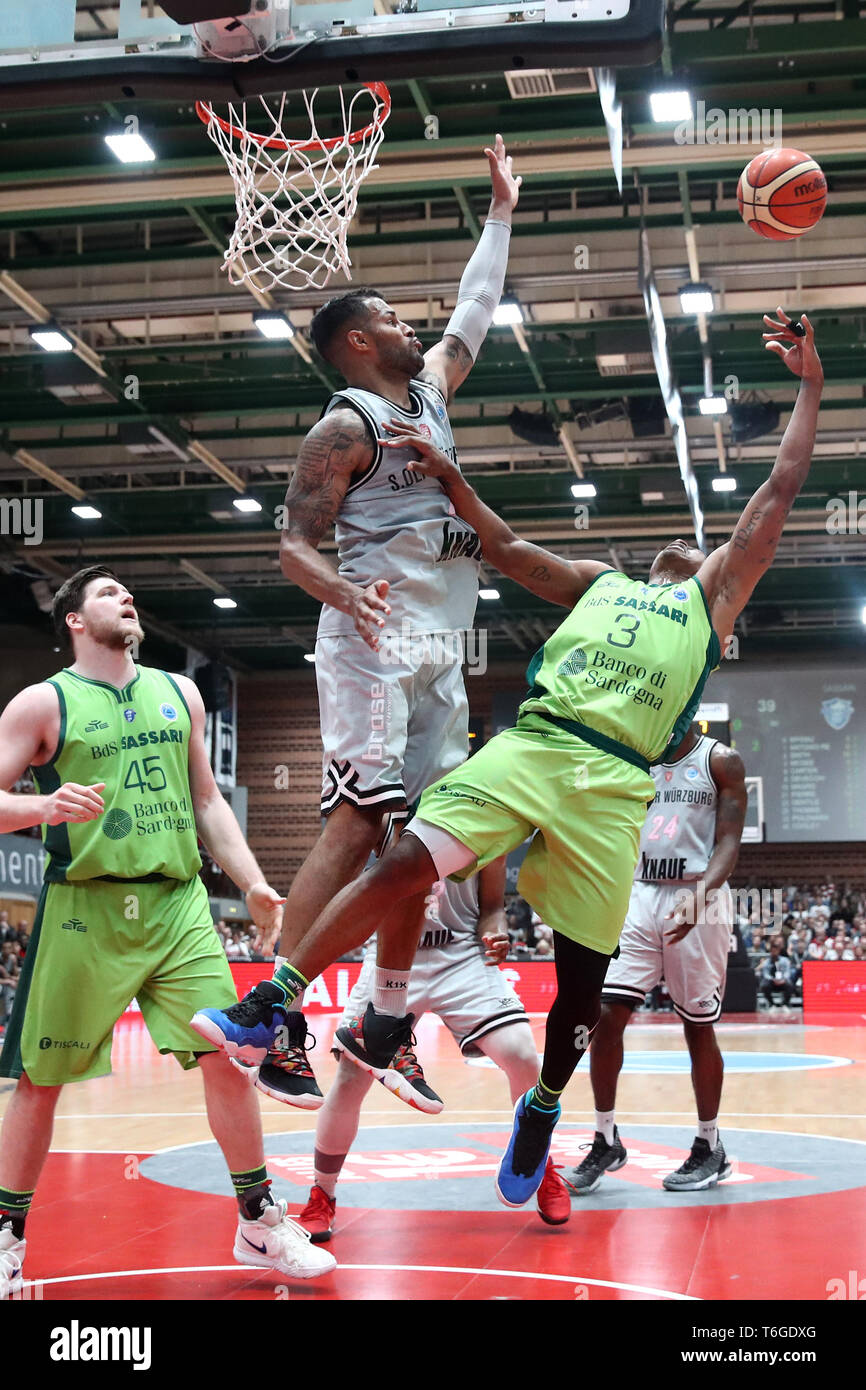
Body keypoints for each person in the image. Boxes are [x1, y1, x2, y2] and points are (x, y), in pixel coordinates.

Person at [194, 309, 823, 1213]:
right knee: (406, 855)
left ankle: (545, 1106)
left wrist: (807, 388)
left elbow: (780, 490)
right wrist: (448, 474)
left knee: (579, 993)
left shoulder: (713, 600)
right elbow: (504, 549)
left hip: (612, 784)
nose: (680, 548)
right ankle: (276, 999)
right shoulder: (601, 585)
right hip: (536, 743)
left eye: (697, 545)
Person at [191, 134, 522, 1106]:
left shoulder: (428, 394)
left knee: (426, 838)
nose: (407, 321)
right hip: (371, 646)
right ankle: (276, 1016)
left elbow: (474, 310)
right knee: (359, 821)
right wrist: (342, 593)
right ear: (357, 342)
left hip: (439, 654)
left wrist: (498, 212)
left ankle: (382, 1021)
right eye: (387, 314)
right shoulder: (345, 426)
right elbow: (292, 545)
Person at [0, 566, 335, 1300]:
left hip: (179, 902)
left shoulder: (180, 693)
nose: (125, 597)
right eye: (107, 592)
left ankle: (257, 1219)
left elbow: (208, 800)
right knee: (37, 1083)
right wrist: (43, 807)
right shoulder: (42, 703)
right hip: (85, 906)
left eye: (127, 591)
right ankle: (7, 1236)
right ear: (76, 622)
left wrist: (249, 880)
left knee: (228, 1055)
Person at [291, 854, 570, 1237]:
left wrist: (496, 932)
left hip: (461, 955)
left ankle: (538, 1163)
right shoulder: (385, 806)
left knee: (522, 1053)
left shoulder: (485, 811)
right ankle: (322, 1193)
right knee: (351, 1076)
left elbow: (491, 909)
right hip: (390, 954)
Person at [569, 723, 746, 1195]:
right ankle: (606, 1138)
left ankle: (710, 1146)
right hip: (640, 893)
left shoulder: (720, 762)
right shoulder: (631, 757)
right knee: (604, 1016)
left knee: (696, 1025)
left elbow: (729, 843)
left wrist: (702, 894)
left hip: (698, 893)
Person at [758, 938, 795, 1009]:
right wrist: (773, 980)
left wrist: (783, 979)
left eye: (776, 951)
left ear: (778, 951)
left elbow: (787, 972)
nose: (774, 952)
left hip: (783, 981)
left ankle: (785, 1004)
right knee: (764, 985)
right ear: (770, 952)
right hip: (772, 982)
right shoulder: (767, 962)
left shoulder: (785, 960)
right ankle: (772, 1004)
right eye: (772, 951)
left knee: (790, 985)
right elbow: (766, 974)